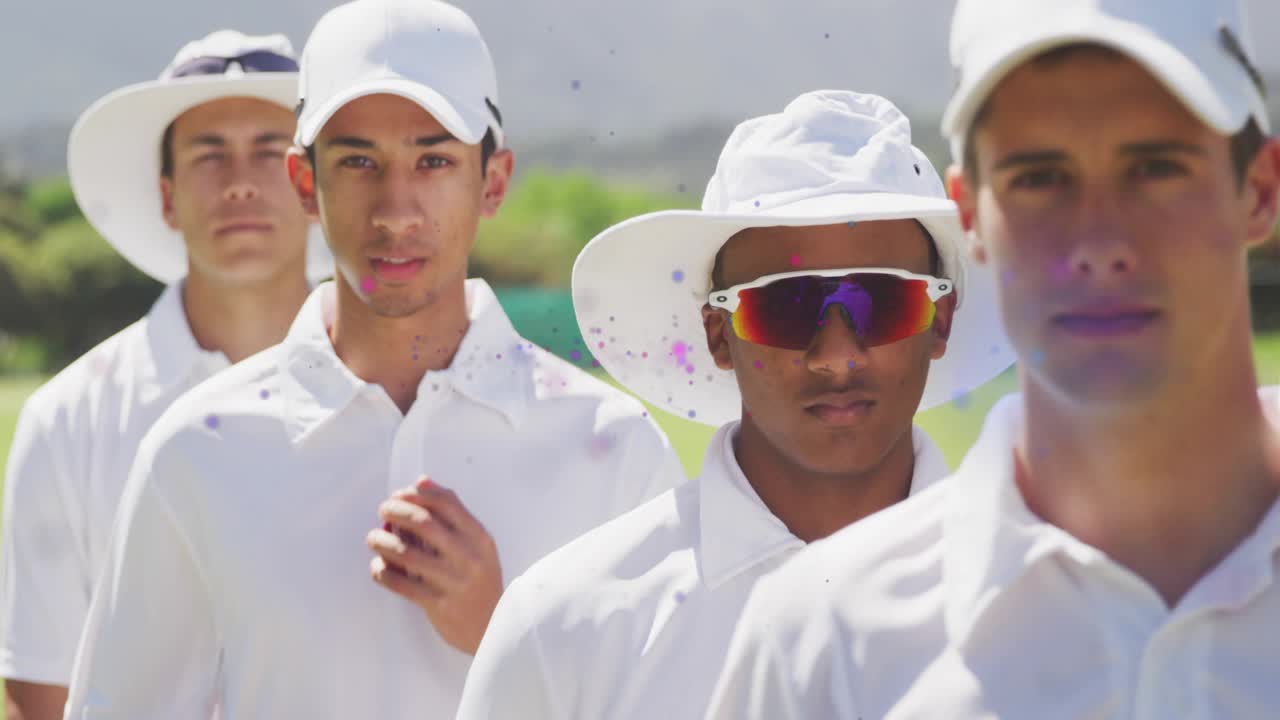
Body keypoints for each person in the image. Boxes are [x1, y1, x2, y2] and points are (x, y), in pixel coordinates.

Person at [63, 2, 684, 717]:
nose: (395, 210)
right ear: (305, 184)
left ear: (493, 181)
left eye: (434, 161)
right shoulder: (194, 450)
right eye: (358, 161)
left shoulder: (617, 450)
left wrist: (505, 630)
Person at [705, 1, 1280, 717]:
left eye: (1157, 168)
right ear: (971, 214)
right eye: (1038, 177)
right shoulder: (823, 645)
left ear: (1260, 191)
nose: (1099, 244)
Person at [456, 90, 1012, 720]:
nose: (837, 355)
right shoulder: (566, 631)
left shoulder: (1045, 609)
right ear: (718, 334)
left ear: (941, 320)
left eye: (882, 302)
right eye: (786, 306)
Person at [0, 30, 329, 720]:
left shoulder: (395, 392)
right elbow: (43, 691)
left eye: (270, 150)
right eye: (209, 154)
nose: (240, 180)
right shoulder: (67, 420)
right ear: (168, 196)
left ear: (314, 187)